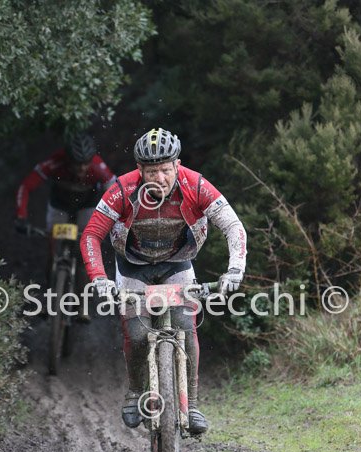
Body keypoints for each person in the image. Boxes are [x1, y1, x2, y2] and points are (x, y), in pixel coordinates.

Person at [80, 128, 247, 433]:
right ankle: (135, 391)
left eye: (166, 170)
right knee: (136, 333)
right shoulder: (122, 189)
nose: (160, 178)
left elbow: (233, 226)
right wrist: (100, 279)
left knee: (186, 326)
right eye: (152, 171)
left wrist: (235, 269)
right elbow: (91, 235)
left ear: (177, 165)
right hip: (132, 265)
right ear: (139, 170)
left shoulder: (195, 184)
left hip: (177, 261)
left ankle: (191, 404)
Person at [15, 132, 116, 319]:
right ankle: (50, 298)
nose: (82, 168)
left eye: (85, 163)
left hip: (87, 205)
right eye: (77, 163)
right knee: (53, 250)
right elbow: (26, 186)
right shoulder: (55, 163)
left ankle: (83, 304)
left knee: (85, 249)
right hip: (59, 205)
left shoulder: (98, 166)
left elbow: (115, 191)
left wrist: (115, 220)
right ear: (67, 159)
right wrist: (21, 217)